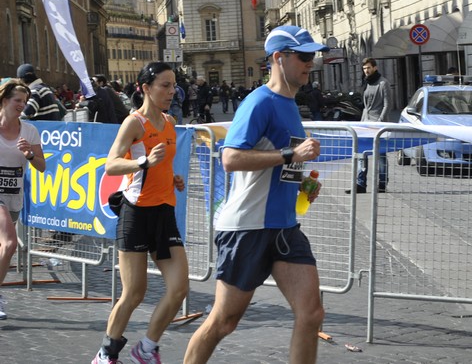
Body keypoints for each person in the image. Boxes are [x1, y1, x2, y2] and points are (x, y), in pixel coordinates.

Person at [183, 25, 328, 364]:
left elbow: (279, 162)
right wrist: (292, 155)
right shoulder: (259, 102)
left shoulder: (291, 103)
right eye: (304, 56)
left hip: (284, 227)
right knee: (223, 322)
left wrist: (302, 184)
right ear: (279, 58)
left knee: (312, 314)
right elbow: (230, 158)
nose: (311, 63)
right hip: (247, 228)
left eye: (313, 56)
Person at [91, 62, 189, 364]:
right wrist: (143, 163)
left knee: (179, 289)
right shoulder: (134, 123)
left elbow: (163, 162)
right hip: (135, 213)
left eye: (174, 86)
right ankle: (106, 353)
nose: (172, 91)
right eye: (165, 85)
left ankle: (146, 348)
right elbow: (111, 164)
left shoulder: (170, 121)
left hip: (164, 213)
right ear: (145, 88)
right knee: (134, 293)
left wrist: (170, 177)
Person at [0, 79, 46, 320]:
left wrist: (29, 154)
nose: (22, 105)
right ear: (5, 100)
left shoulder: (30, 131)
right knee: (10, 244)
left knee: (2, 250)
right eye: (17, 100)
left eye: (25, 101)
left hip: (14, 195)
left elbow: (42, 166)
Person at [346, 57, 391, 194]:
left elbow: (387, 104)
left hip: (379, 124)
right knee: (362, 154)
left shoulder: (383, 83)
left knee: (381, 155)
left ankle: (382, 184)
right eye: (364, 68)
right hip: (365, 123)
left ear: (375, 67)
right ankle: (360, 184)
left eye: (368, 68)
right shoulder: (365, 83)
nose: (366, 71)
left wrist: (380, 122)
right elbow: (366, 106)